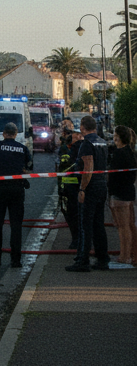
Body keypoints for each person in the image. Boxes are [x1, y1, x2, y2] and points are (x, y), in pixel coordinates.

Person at [0, 121, 33, 268]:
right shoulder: (23, 148)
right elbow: (29, 167)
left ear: (4, 134)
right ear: (16, 134)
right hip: (17, 190)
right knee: (16, 225)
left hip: (0, 189)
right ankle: (16, 260)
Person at [66, 113, 110, 272]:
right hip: (102, 186)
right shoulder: (103, 142)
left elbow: (88, 168)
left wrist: (82, 189)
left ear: (83, 128)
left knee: (85, 225)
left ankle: (82, 260)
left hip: (90, 187)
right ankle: (102, 258)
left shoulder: (87, 144)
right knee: (99, 224)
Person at [107, 124, 137, 267]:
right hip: (129, 192)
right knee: (130, 226)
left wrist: (110, 193)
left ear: (117, 137)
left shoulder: (119, 153)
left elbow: (113, 177)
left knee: (122, 227)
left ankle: (124, 256)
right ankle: (133, 255)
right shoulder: (130, 152)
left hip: (119, 194)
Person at [56, 119, 80, 249]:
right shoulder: (64, 148)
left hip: (80, 186)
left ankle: (80, 239)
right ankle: (75, 238)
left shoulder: (83, 147)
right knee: (70, 214)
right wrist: (60, 187)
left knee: (80, 215)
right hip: (68, 186)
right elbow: (59, 167)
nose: (73, 136)